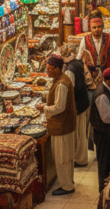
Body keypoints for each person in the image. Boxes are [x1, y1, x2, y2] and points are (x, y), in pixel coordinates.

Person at [40, 54, 77, 196]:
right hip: (65, 125)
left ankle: (67, 186)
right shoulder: (62, 79)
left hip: (61, 126)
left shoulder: (61, 84)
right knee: (67, 157)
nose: (47, 71)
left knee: (62, 158)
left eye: (49, 69)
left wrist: (43, 108)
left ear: (57, 68)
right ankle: (69, 181)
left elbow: (59, 107)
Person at [61, 44, 92, 167]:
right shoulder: (78, 63)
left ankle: (80, 159)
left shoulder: (70, 70)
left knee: (78, 134)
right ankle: (81, 157)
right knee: (82, 133)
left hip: (77, 105)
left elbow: (70, 90)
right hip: (83, 102)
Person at [78, 17, 110, 92]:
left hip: (107, 74)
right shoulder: (85, 39)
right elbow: (79, 58)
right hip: (91, 75)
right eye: (94, 27)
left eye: (99, 27)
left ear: (103, 27)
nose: (97, 29)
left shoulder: (108, 38)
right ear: (90, 28)